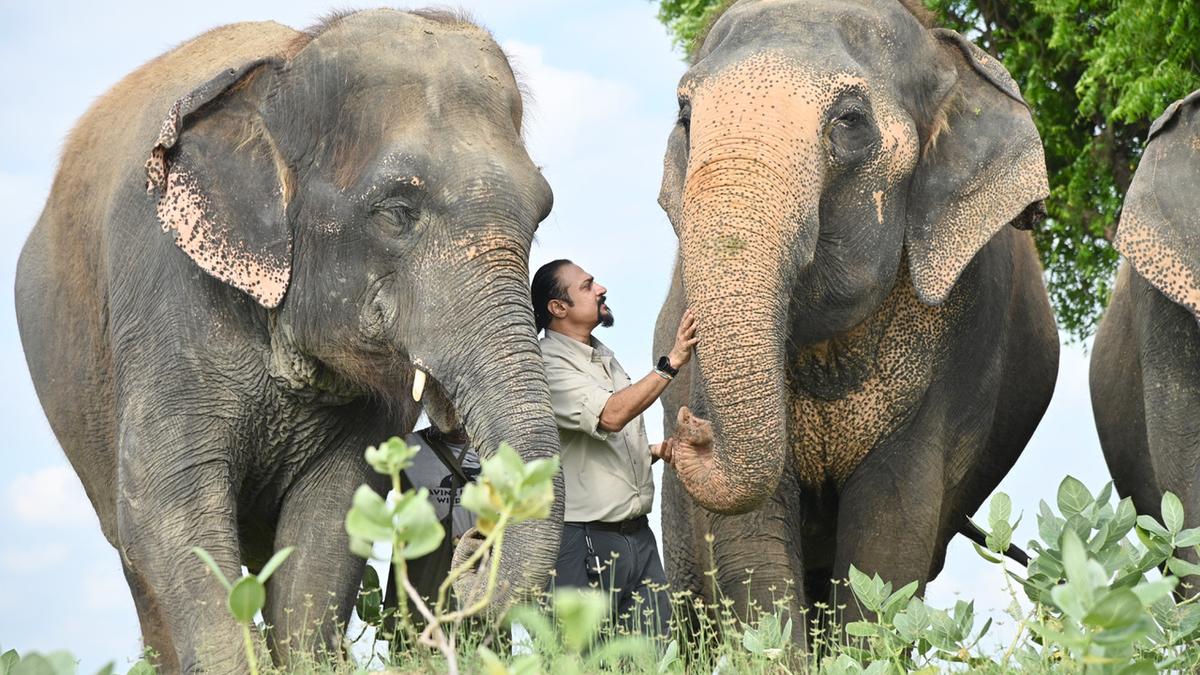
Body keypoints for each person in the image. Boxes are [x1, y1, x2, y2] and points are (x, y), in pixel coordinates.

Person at [531, 259, 698, 637]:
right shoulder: (546, 365)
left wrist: (656, 450)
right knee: (587, 660)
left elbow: (599, 445)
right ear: (558, 308)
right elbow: (609, 416)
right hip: (585, 540)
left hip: (638, 537)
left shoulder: (602, 355)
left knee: (654, 656)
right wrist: (669, 365)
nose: (601, 288)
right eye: (587, 286)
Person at [383, 425, 480, 633]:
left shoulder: (492, 447)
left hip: (481, 567)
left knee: (485, 647)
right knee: (416, 645)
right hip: (424, 570)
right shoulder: (405, 445)